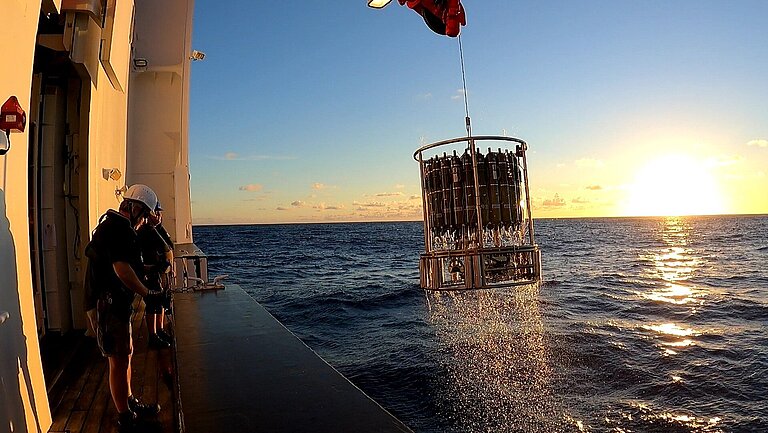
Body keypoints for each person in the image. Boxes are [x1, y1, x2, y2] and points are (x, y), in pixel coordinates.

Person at [84, 184, 163, 432]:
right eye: (145, 215)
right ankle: (125, 416)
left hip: (113, 303)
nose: (145, 222)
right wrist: (148, 292)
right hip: (109, 305)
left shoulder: (114, 227)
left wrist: (147, 271)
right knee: (118, 360)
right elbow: (121, 269)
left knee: (125, 354)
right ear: (136, 208)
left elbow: (123, 265)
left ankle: (128, 401)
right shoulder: (119, 229)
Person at [137, 201, 174, 349]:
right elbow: (165, 245)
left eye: (159, 212)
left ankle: (160, 330)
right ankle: (153, 336)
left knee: (162, 301)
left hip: (159, 271)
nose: (158, 215)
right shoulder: (145, 231)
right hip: (150, 272)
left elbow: (169, 245)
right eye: (155, 212)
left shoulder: (155, 229)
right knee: (153, 304)